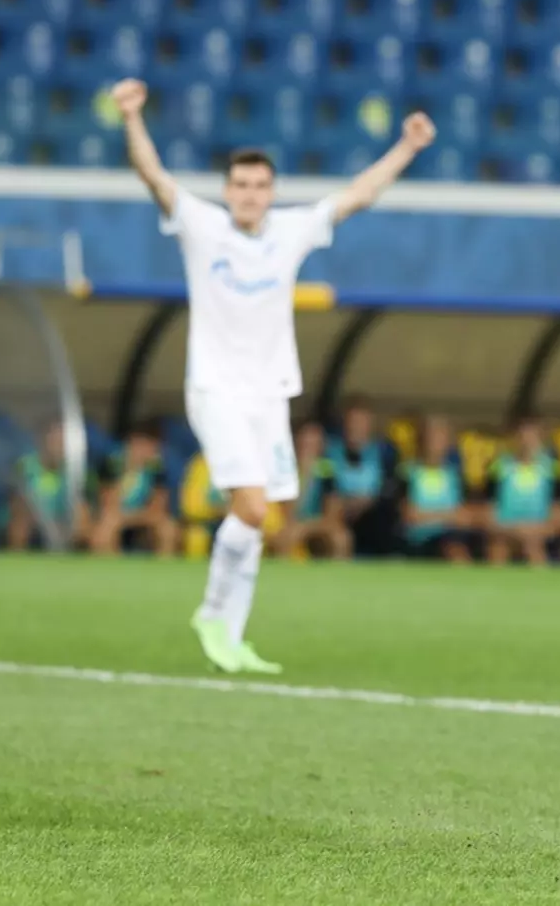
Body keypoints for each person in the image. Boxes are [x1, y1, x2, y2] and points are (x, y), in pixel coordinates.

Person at [111, 78, 435, 674]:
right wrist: (132, 117)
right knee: (253, 507)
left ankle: (233, 638)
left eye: (260, 186)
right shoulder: (202, 226)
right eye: (240, 185)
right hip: (216, 389)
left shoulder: (290, 231)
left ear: (271, 192)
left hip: (269, 394)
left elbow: (358, 195)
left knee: (265, 513)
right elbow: (152, 174)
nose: (250, 195)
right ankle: (212, 614)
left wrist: (407, 147)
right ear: (227, 190)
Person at [480, 418, 560, 566]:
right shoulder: (498, 467)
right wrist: (514, 530)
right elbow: (488, 508)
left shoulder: (553, 469)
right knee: (498, 550)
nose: (526, 442)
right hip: (506, 529)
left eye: (531, 436)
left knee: (533, 547)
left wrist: (539, 530)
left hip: (539, 531)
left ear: (541, 439)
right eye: (522, 436)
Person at [90, 420, 180, 557]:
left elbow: (159, 506)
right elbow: (108, 504)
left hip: (145, 516)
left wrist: (137, 517)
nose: (144, 450)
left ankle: (163, 566)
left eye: (150, 445)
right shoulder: (112, 465)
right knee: (107, 526)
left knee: (169, 529)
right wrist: (130, 471)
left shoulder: (157, 470)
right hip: (117, 515)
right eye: (140, 444)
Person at [326, 400, 400, 557]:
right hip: (339, 511)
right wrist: (346, 504)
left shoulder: (384, 451)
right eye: (352, 421)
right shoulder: (330, 451)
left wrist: (366, 502)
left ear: (369, 424)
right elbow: (326, 484)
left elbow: (390, 487)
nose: (355, 427)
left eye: (360, 422)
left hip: (373, 513)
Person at [274, 420, 351, 560]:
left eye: (315, 443)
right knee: (289, 535)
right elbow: (289, 513)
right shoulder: (287, 470)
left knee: (341, 537)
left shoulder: (327, 470)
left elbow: (333, 513)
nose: (310, 448)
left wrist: (308, 526)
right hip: (294, 523)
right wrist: (305, 476)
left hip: (320, 523)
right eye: (306, 443)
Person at [399, 414, 472, 562]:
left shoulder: (455, 476)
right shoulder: (407, 473)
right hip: (417, 540)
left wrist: (428, 515)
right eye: (432, 437)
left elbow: (464, 517)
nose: (436, 443)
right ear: (422, 440)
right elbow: (410, 516)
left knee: (458, 550)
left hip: (451, 537)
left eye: (441, 438)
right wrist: (448, 516)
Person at [7, 420, 90, 551]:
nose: (58, 447)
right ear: (44, 442)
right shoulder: (26, 466)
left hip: (62, 518)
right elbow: (18, 500)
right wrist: (41, 520)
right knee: (19, 524)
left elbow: (79, 501)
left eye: (61, 442)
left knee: (85, 521)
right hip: (32, 518)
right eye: (54, 441)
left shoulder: (72, 471)